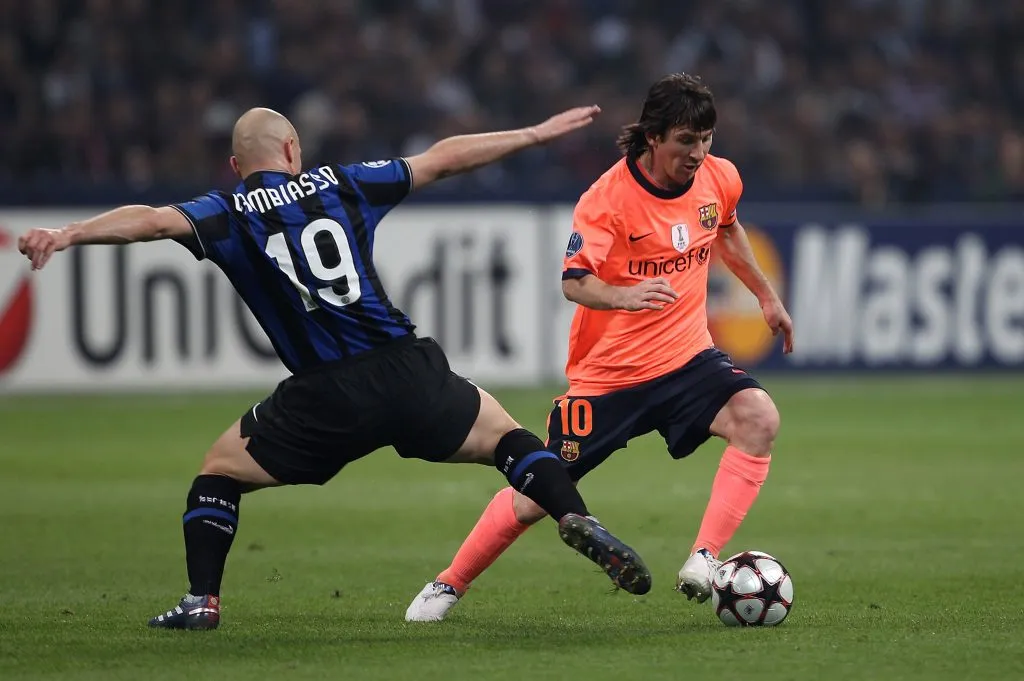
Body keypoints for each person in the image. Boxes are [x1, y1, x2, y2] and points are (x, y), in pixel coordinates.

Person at [17, 106, 653, 631]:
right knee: (509, 439)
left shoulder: (226, 210)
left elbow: (151, 222)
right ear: (292, 150)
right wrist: (532, 133)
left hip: (324, 397)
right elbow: (441, 159)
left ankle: (201, 600)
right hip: (406, 370)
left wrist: (69, 233)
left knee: (218, 473)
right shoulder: (341, 183)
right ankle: (574, 515)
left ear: (236, 167)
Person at [405, 73, 795, 622]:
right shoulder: (607, 200)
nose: (698, 153)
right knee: (535, 498)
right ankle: (448, 583)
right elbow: (575, 283)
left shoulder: (719, 177)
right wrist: (623, 296)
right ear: (654, 137)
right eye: (686, 140)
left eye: (707, 139)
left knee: (758, 417)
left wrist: (766, 296)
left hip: (687, 359)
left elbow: (727, 230)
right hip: (609, 377)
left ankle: (705, 557)